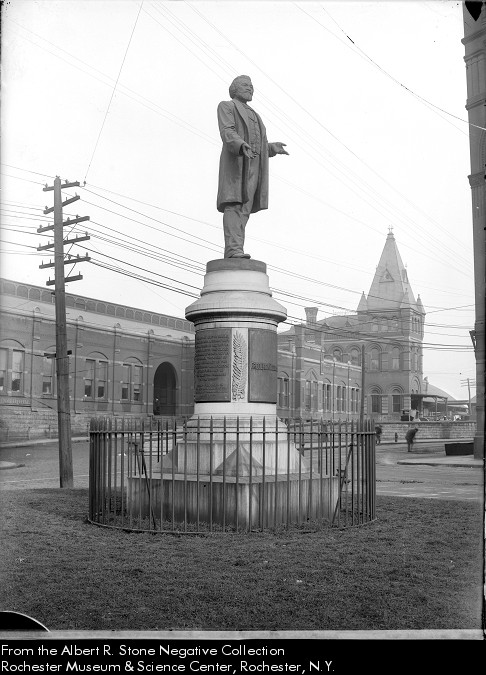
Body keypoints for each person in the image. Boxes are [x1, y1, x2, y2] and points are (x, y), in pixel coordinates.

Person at [217, 75, 289, 258]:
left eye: (251, 85)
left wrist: (271, 148)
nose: (250, 88)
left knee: (245, 209)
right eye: (245, 85)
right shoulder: (227, 106)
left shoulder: (255, 114)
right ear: (234, 88)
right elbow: (227, 131)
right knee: (234, 204)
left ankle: (237, 248)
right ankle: (233, 250)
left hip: (255, 166)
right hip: (236, 165)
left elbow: (258, 142)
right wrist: (240, 145)